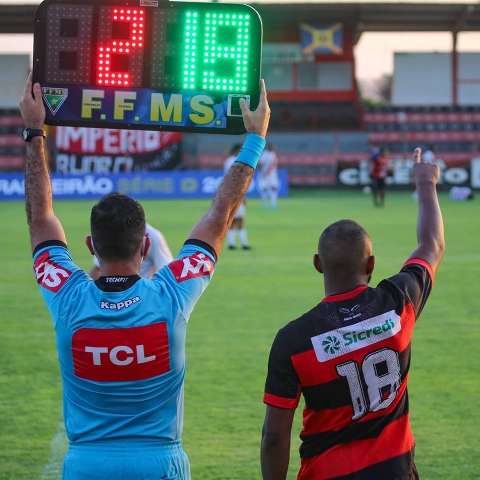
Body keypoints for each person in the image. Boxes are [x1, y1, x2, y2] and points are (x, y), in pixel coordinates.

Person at [20, 72, 270, 480]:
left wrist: (35, 130)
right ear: (146, 247)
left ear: (90, 247)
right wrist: (255, 139)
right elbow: (219, 215)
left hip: (87, 465)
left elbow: (40, 218)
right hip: (160, 464)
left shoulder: (67, 295)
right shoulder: (171, 295)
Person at [261, 147, 445, 480]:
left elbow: (275, 437)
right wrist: (426, 183)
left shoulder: (294, 339)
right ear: (371, 264)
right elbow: (431, 245)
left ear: (318, 264)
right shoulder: (398, 302)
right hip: (396, 471)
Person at [90, 222, 173, 279]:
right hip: (114, 295)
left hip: (142, 296)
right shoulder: (112, 233)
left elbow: (168, 271)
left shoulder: (153, 236)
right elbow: (97, 269)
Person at [224, 144, 251, 250]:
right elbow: (238, 179)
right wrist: (242, 195)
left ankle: (232, 243)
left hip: (229, 192)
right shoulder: (237, 161)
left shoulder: (228, 161)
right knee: (239, 220)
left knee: (233, 219)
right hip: (237, 193)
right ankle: (243, 243)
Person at [258, 143, 280, 208]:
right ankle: (266, 204)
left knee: (273, 188)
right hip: (266, 174)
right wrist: (263, 171)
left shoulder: (272, 154)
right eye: (272, 146)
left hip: (271, 174)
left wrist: (265, 171)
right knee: (265, 189)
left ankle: (273, 203)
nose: (273, 148)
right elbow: (261, 163)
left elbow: (274, 164)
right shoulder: (265, 154)